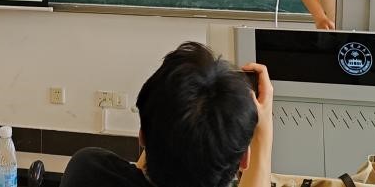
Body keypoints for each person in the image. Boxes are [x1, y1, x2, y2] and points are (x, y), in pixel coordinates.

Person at [60, 42, 273, 187]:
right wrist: (263, 134)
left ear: (142, 136)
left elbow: (141, 174)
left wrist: (168, 105)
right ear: (244, 159)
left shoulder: (87, 171)